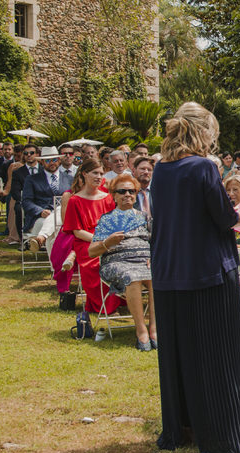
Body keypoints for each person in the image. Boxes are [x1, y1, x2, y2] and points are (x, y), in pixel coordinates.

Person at [151, 101, 240, 453]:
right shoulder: (203, 167)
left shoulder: (161, 169)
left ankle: (181, 428)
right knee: (216, 353)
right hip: (206, 270)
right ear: (203, 132)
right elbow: (223, 217)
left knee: (180, 354)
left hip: (169, 270)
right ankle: (224, 434)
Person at [88, 173, 155, 350]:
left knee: (158, 275)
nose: (127, 195)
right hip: (116, 263)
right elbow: (91, 252)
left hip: (144, 261)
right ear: (114, 195)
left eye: (131, 191)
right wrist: (107, 243)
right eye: (122, 191)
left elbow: (156, 243)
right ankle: (141, 331)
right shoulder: (107, 220)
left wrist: (153, 257)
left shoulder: (144, 217)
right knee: (132, 276)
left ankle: (154, 329)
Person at [61, 158, 120, 338]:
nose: (99, 177)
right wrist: (101, 242)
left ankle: (118, 302)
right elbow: (77, 231)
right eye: (95, 173)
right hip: (86, 243)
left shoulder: (108, 198)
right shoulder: (75, 200)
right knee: (95, 266)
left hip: (109, 240)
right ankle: (101, 305)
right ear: (84, 174)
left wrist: (109, 241)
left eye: (101, 173)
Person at [21, 146, 68, 251]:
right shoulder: (32, 179)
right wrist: (40, 211)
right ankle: (57, 266)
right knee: (55, 227)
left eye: (54, 160)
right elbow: (26, 201)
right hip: (41, 218)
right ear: (42, 162)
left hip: (64, 216)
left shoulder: (70, 179)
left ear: (59, 161)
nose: (52, 163)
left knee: (58, 222)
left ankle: (41, 237)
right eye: (47, 160)